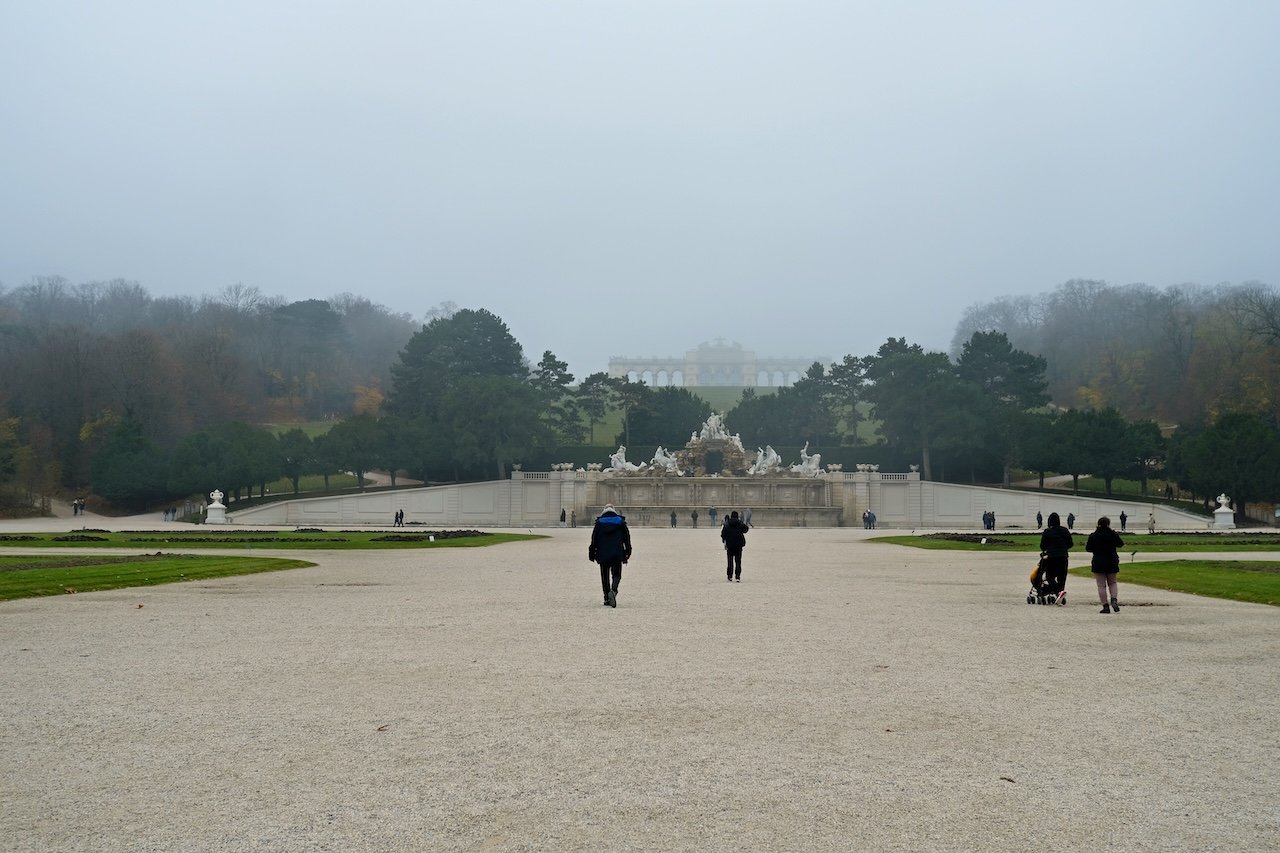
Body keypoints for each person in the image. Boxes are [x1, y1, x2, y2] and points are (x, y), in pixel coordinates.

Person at [588, 504, 632, 608]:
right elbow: (627, 538)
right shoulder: (620, 522)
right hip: (617, 553)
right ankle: (614, 590)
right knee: (617, 575)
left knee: (605, 576)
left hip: (602, 553)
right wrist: (628, 552)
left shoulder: (599, 523)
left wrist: (592, 552)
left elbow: (594, 539)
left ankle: (607, 598)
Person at [1085, 516, 1124, 614]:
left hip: (1098, 561)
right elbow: (1120, 544)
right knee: (1113, 582)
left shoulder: (1094, 535)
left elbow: (1088, 548)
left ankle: (1105, 606)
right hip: (1111, 560)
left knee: (1101, 585)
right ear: (1108, 524)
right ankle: (1114, 599)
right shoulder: (1112, 534)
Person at [1037, 512, 1074, 605]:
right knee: (1062, 576)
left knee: (1050, 576)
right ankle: (1060, 592)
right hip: (1063, 556)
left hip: (1051, 557)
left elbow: (1042, 546)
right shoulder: (1065, 530)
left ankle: (1058, 592)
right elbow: (1070, 544)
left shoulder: (1047, 532)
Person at [721, 510, 749, 582]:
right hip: (738, 545)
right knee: (738, 561)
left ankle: (729, 576)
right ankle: (737, 576)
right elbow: (746, 530)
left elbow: (723, 534)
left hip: (730, 545)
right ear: (737, 516)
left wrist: (724, 541)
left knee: (730, 561)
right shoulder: (740, 523)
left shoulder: (727, 524)